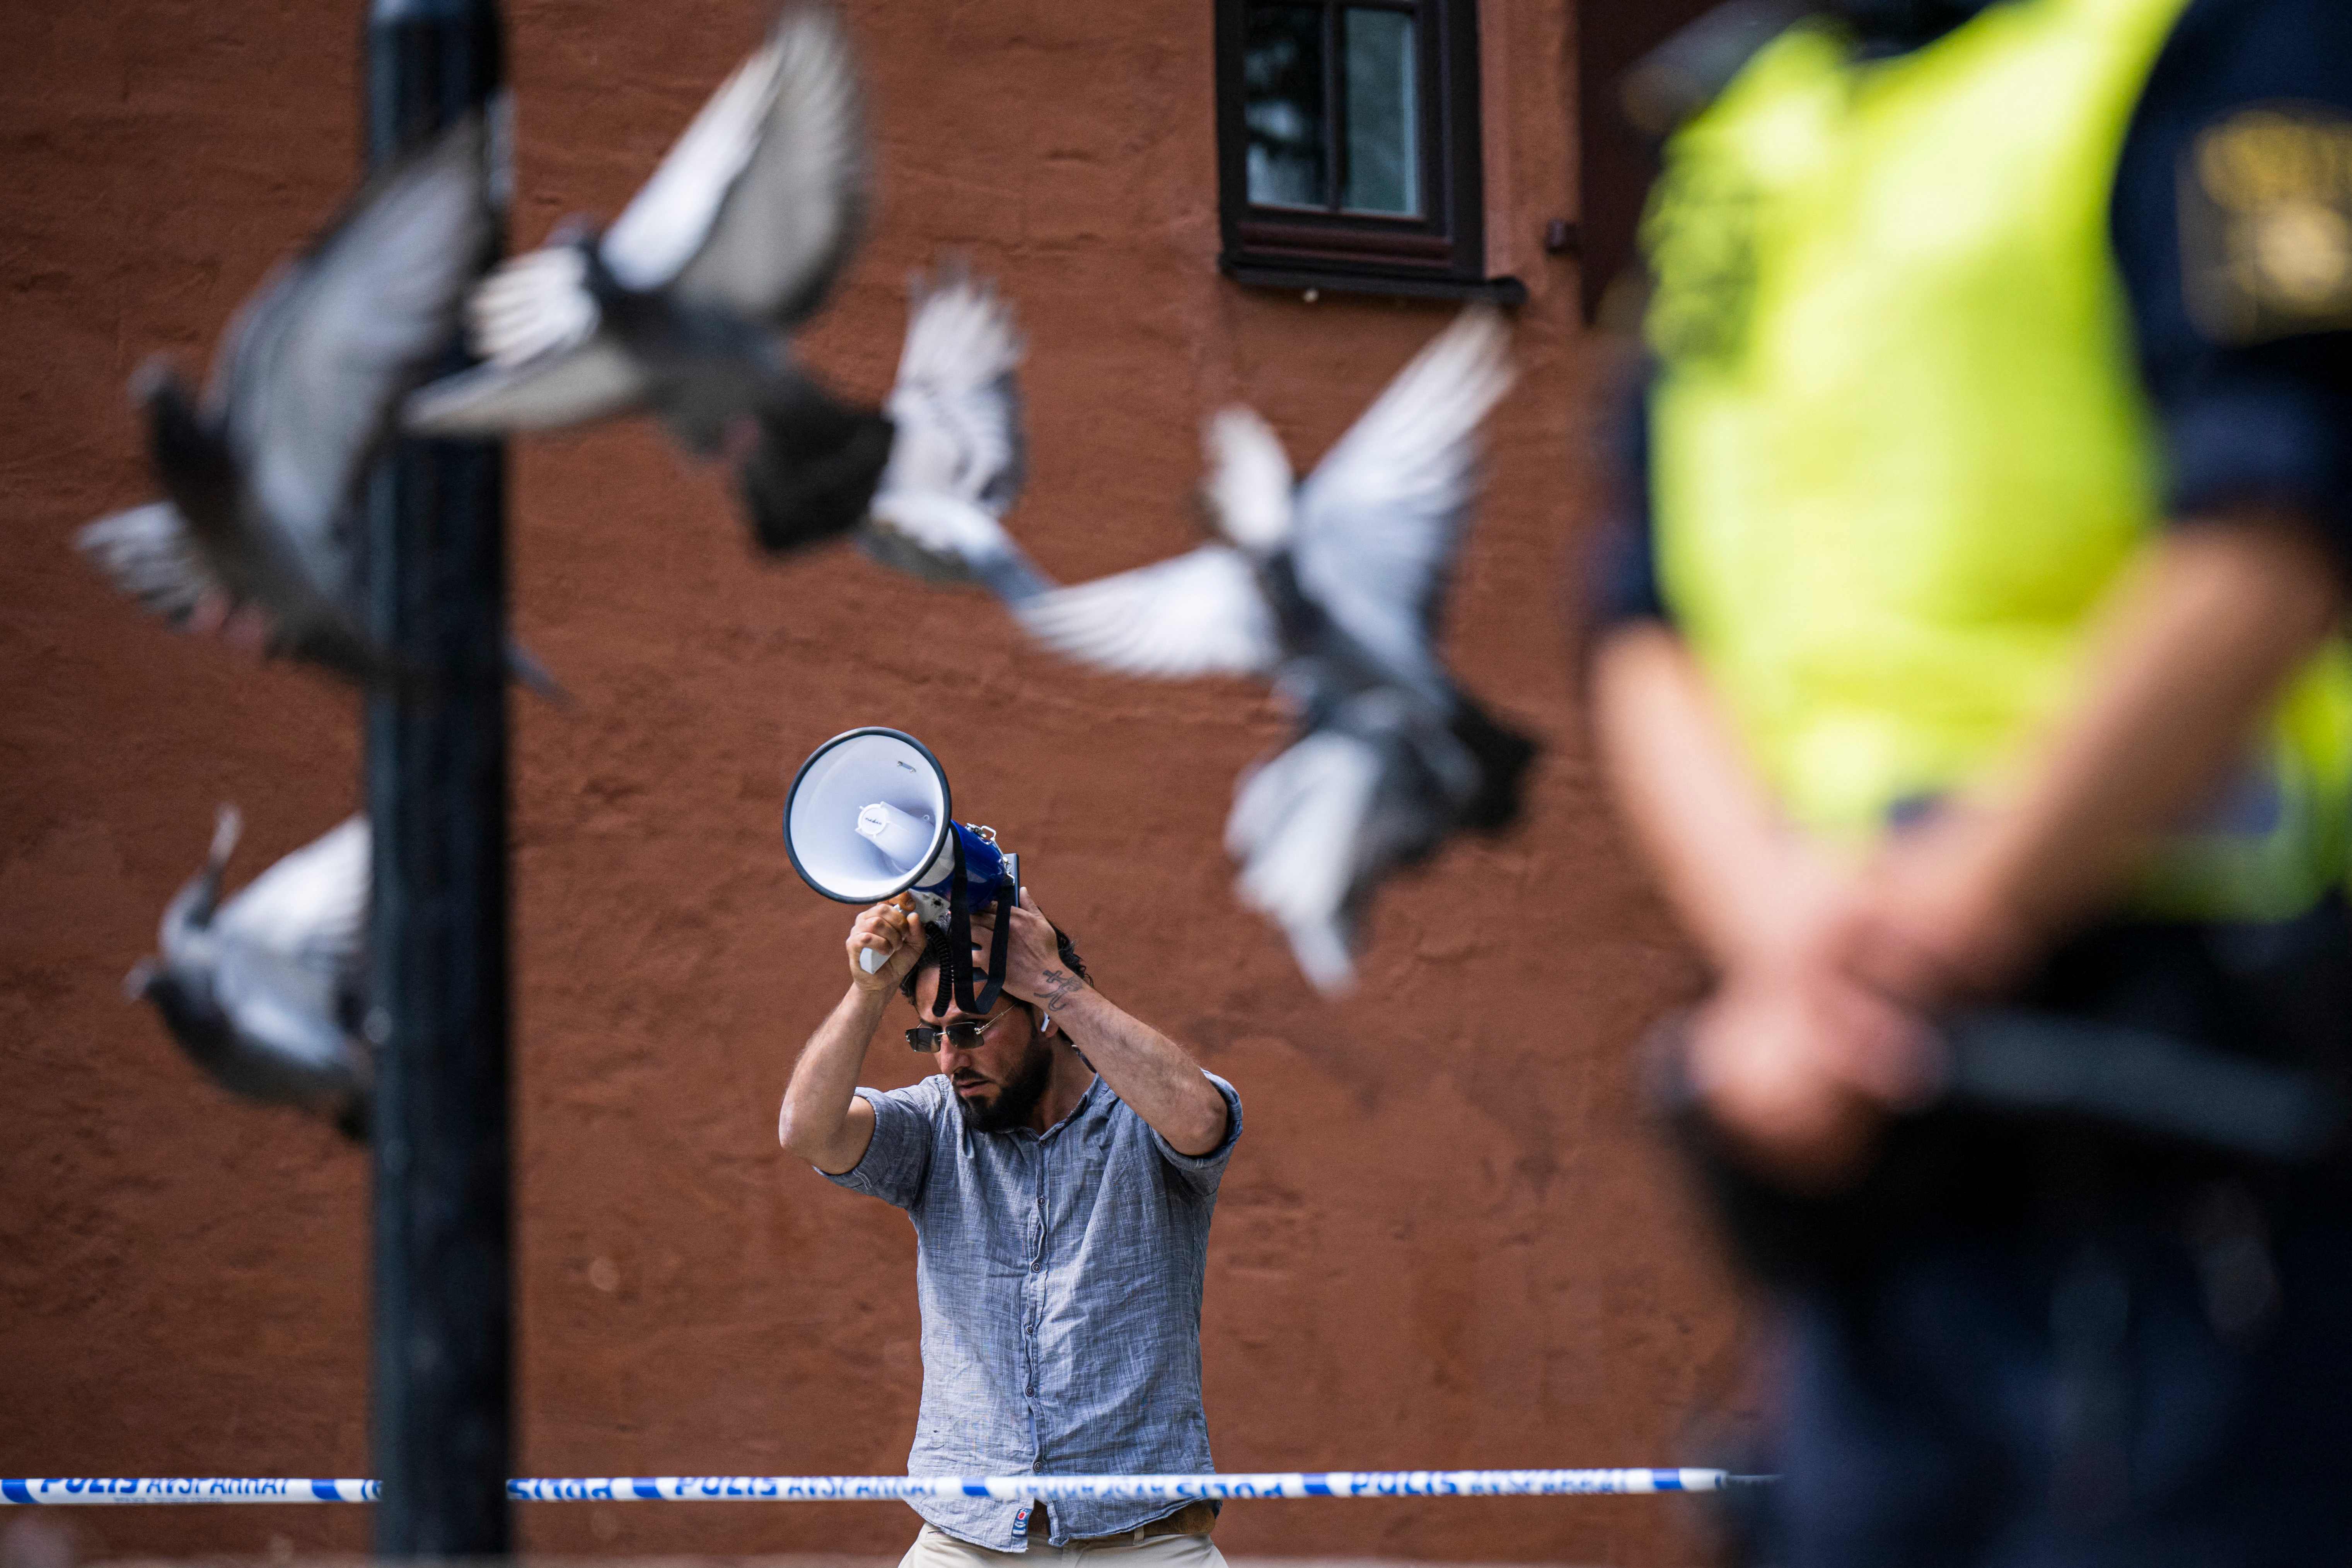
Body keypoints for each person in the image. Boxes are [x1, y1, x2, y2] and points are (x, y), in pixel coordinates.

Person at [1586, 0, 2352, 1561]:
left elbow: (2278, 518)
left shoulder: (2236, 42)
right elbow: (1641, 614)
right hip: (1873, 1142)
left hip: (2203, 1102)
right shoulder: (1742, 136)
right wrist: (1786, 951)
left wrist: (1906, 938)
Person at [778, 884, 1242, 1568]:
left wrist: (1052, 979)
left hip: (1147, 1537)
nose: (949, 1059)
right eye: (932, 1036)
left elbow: (1202, 1119)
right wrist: (869, 990)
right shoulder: (934, 1122)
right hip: (968, 1539)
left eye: (971, 1030)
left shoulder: (1143, 1116)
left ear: (1044, 1017)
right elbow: (807, 1132)